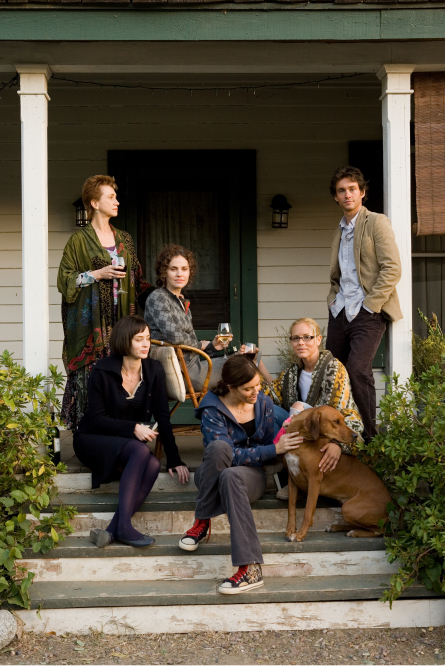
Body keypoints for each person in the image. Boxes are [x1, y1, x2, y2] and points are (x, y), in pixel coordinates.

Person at [178, 355, 302, 595]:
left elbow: (266, 454)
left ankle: (250, 568)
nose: (257, 392)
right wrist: (271, 449)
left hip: (249, 477)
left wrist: (279, 442)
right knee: (218, 448)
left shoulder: (263, 404)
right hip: (211, 470)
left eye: (258, 385)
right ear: (230, 387)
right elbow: (228, 455)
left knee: (231, 476)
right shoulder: (211, 408)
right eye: (248, 388)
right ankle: (203, 519)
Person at [74, 315, 189, 548]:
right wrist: (133, 427)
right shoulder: (102, 371)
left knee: (155, 464)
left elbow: (163, 417)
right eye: (139, 339)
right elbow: (95, 420)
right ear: (125, 341)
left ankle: (114, 529)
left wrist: (175, 458)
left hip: (125, 443)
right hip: (92, 439)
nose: (146, 344)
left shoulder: (154, 370)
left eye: (148, 338)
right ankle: (124, 528)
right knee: (140, 451)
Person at [57, 175, 152, 430]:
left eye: (116, 196)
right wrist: (98, 274)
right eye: (111, 197)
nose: (117, 201)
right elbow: (64, 281)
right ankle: (89, 434)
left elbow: (138, 279)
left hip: (123, 324)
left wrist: (165, 295)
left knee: (121, 382)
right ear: (94, 203)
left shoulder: (125, 239)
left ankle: (122, 430)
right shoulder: (77, 242)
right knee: (94, 383)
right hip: (92, 329)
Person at [326, 166, 402, 442]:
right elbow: (338, 276)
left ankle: (371, 438)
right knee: (333, 373)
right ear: (336, 197)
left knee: (358, 369)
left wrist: (371, 305)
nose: (347, 195)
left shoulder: (376, 223)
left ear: (362, 192)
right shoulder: (339, 231)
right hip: (340, 311)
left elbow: (392, 269)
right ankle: (340, 435)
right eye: (341, 190)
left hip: (368, 311)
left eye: (352, 189)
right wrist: (333, 299)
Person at [261, 317, 363, 500]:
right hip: (306, 430)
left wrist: (337, 444)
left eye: (307, 337)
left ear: (318, 339)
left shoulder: (333, 369)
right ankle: (280, 465)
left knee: (298, 407)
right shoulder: (292, 372)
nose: (301, 342)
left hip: (327, 428)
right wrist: (255, 363)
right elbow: (271, 396)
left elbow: (335, 414)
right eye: (295, 338)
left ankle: (294, 479)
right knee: (266, 408)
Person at [144, 244, 231, 391]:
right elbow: (175, 337)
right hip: (183, 374)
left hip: (193, 367)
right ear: (164, 272)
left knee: (251, 354)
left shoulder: (181, 301)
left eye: (184, 269)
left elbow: (188, 348)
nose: (180, 274)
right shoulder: (158, 298)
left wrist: (211, 346)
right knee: (245, 364)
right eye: (173, 269)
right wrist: (201, 344)